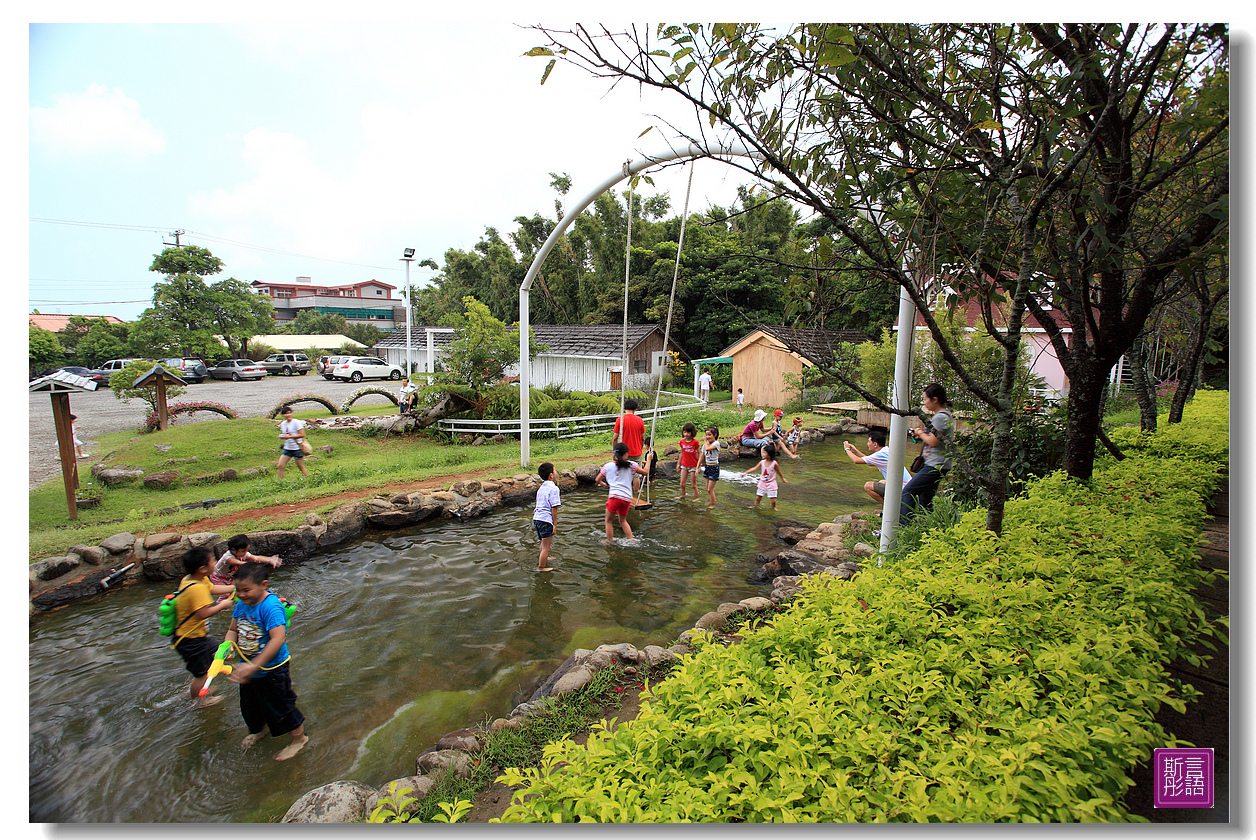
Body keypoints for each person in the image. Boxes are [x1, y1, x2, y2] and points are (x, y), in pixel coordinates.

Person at [225, 562, 309, 761]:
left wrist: (255, 664)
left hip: (272, 669)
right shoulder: (241, 605)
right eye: (238, 590)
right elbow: (232, 630)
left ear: (263, 585)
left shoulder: (270, 607)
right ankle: (259, 730)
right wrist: (228, 645)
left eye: (246, 590)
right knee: (250, 705)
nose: (241, 594)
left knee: (281, 705)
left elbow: (278, 638)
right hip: (249, 669)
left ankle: (299, 739)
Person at [171, 546, 237, 708]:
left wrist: (234, 588)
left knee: (221, 654)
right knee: (201, 674)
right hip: (189, 640)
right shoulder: (197, 589)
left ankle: (197, 688)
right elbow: (202, 613)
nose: (215, 563)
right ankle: (198, 700)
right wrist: (223, 606)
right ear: (202, 568)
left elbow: (213, 589)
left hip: (197, 637)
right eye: (213, 561)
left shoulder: (194, 579)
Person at [899, 383, 956, 526]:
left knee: (908, 492)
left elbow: (934, 441)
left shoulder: (940, 417)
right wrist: (921, 435)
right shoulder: (943, 415)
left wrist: (920, 433)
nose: (924, 403)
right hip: (939, 464)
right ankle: (928, 528)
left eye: (925, 399)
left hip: (935, 465)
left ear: (935, 399)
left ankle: (903, 527)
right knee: (925, 499)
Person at [596, 442, 648, 541]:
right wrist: (649, 460)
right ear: (626, 454)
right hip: (627, 498)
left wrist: (601, 483)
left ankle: (609, 541)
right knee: (623, 521)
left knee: (608, 521)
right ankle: (631, 539)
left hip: (614, 497)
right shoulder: (631, 465)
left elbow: (597, 479)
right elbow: (645, 472)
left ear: (614, 454)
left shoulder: (608, 466)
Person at [844, 428, 912, 503]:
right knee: (882, 482)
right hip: (907, 485)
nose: (867, 444)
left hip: (902, 488)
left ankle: (888, 509)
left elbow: (856, 461)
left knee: (868, 486)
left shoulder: (880, 455)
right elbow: (870, 462)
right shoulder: (886, 450)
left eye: (869, 442)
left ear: (875, 444)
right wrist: (856, 451)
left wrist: (847, 449)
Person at [211, 534, 282, 600]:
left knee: (237, 590)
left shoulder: (242, 553)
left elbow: (256, 558)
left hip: (230, 577)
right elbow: (240, 563)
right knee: (225, 594)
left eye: (247, 550)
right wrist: (256, 568)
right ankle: (221, 607)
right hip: (218, 577)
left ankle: (235, 603)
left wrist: (269, 559)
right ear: (233, 550)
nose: (246, 552)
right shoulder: (228, 558)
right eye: (243, 551)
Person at [612, 399, 646, 494]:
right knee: (636, 475)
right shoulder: (639, 420)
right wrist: (640, 447)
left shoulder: (620, 420)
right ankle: (636, 492)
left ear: (624, 408)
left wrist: (615, 452)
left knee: (622, 473)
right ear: (634, 409)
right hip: (636, 451)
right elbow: (643, 438)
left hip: (622, 452)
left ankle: (622, 492)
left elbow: (615, 438)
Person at [741, 443, 788, 510]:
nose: (762, 454)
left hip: (771, 483)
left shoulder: (774, 464)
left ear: (769, 454)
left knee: (773, 500)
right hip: (762, 482)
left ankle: (773, 508)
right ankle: (755, 506)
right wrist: (745, 473)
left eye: (764, 453)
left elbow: (779, 472)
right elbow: (754, 468)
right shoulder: (762, 462)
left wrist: (782, 478)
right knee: (758, 498)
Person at [533, 462, 560, 572]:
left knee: (543, 544)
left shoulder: (542, 487)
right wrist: (554, 524)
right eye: (555, 470)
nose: (556, 472)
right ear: (551, 475)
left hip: (537, 518)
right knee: (546, 547)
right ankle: (541, 567)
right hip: (545, 520)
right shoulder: (554, 489)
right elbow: (554, 508)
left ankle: (544, 557)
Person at [276, 406, 309, 480]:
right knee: (280, 465)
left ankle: (307, 481)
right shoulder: (283, 424)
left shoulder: (296, 422)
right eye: (285, 414)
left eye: (289, 413)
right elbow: (285, 434)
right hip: (288, 448)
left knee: (300, 466)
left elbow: (302, 434)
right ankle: (280, 483)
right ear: (283, 415)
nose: (287, 415)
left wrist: (290, 437)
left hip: (297, 448)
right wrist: (282, 436)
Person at [677, 423, 701, 500]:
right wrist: (678, 464)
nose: (686, 434)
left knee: (693, 485)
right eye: (685, 432)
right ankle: (683, 495)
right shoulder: (682, 442)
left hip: (693, 466)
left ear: (692, 433)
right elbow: (681, 452)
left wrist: (699, 466)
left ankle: (696, 497)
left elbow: (699, 453)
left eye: (688, 432)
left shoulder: (695, 442)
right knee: (682, 484)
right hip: (684, 465)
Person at [702, 426, 722, 508]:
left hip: (714, 468)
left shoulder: (716, 443)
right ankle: (711, 501)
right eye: (706, 435)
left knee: (710, 489)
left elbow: (707, 449)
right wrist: (697, 467)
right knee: (707, 489)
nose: (707, 437)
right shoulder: (705, 445)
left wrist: (704, 441)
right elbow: (702, 455)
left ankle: (713, 504)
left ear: (715, 435)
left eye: (709, 435)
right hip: (707, 467)